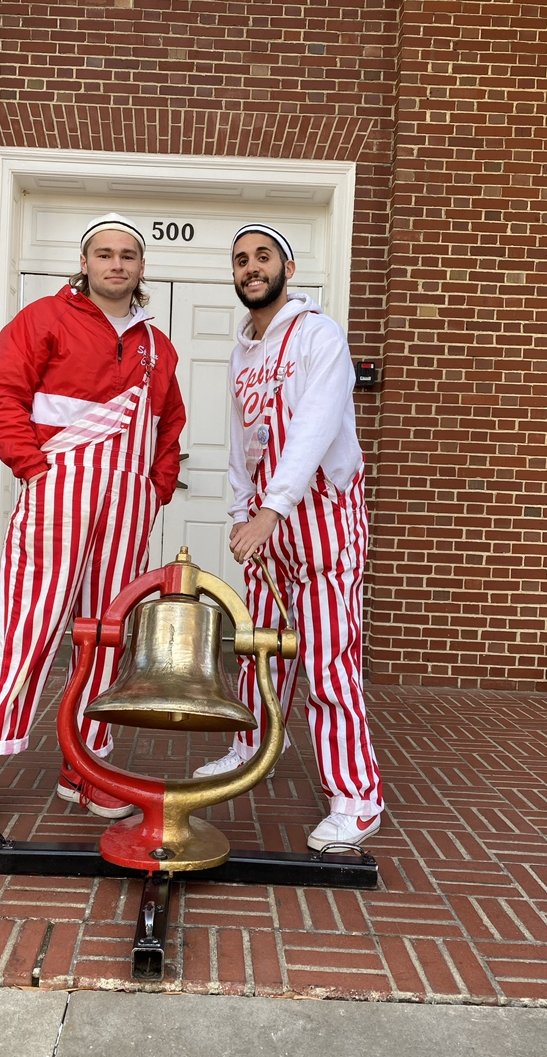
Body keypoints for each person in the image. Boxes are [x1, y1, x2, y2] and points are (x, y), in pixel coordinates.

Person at [0, 213, 185, 839]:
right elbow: (1, 399)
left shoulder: (158, 346)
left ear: (141, 268)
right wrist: (33, 469)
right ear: (85, 263)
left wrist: (156, 488)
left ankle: (85, 766)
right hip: (59, 496)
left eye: (128, 256)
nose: (116, 264)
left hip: (128, 509)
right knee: (26, 626)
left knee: (106, 633)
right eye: (104, 254)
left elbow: (169, 424)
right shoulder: (41, 321)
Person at [193, 223, 384, 850]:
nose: (251, 267)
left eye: (262, 257)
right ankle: (254, 746)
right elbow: (242, 443)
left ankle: (357, 797)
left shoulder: (318, 335)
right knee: (257, 651)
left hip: (321, 521)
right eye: (240, 259)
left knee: (330, 661)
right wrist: (238, 511)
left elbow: (316, 426)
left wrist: (273, 509)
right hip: (265, 525)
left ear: (288, 267)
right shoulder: (241, 350)